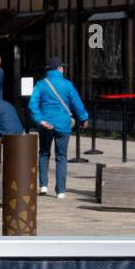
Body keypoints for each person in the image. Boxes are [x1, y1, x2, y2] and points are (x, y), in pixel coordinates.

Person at [28, 56, 89, 198]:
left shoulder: (41, 85)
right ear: (59, 69)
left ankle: (43, 185)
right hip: (63, 124)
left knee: (44, 154)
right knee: (61, 157)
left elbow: (32, 105)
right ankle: (60, 191)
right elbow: (77, 104)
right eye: (62, 67)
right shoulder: (68, 85)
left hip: (45, 124)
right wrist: (84, 118)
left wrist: (39, 120)